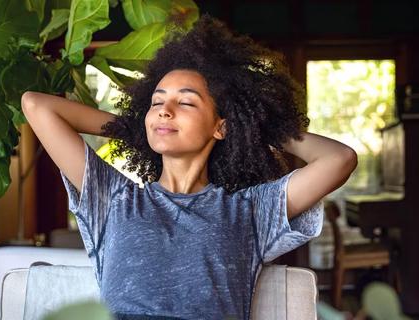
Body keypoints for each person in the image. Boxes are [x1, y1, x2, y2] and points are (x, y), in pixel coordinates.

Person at [22, 15, 357, 320]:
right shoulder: (113, 197)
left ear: (221, 127)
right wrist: (136, 128)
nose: (165, 110)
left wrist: (256, 127)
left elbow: (339, 159)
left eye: (184, 102)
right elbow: (35, 105)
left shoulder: (251, 211)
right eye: (155, 102)